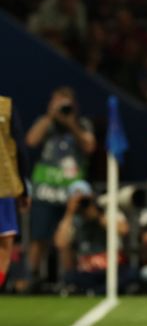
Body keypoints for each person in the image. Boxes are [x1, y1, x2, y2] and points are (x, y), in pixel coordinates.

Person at [25, 86, 96, 284]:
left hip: (72, 193)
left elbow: (89, 146)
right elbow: (30, 141)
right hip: (45, 191)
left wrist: (71, 123)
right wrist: (50, 115)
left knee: (68, 240)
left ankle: (70, 281)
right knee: (38, 238)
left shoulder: (81, 124)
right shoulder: (46, 123)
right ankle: (29, 279)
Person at [0, 95, 30, 290]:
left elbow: (18, 148)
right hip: (4, 185)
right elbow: (19, 148)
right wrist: (24, 190)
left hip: (4, 186)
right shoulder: (5, 106)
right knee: (4, 246)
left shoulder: (6, 106)